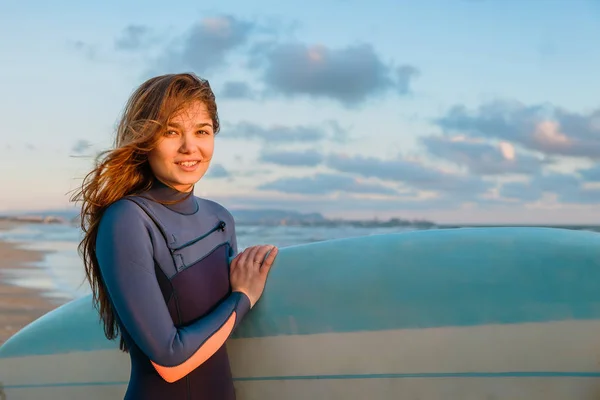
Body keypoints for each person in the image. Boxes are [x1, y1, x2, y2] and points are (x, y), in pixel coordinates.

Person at [71, 72, 278, 399]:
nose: (190, 147)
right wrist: (244, 298)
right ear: (145, 139)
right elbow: (170, 360)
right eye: (171, 131)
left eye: (202, 131)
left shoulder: (221, 218)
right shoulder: (128, 219)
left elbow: (218, 340)